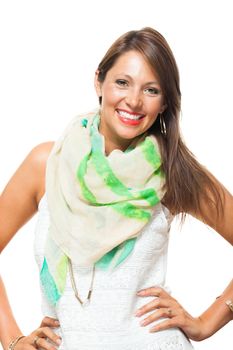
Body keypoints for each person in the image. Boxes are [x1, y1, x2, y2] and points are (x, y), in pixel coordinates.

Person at [0, 26, 232, 350]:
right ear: (99, 81)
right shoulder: (47, 163)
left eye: (151, 90)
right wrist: (12, 340)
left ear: (165, 102)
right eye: (122, 83)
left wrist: (206, 323)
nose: (133, 101)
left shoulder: (170, 172)